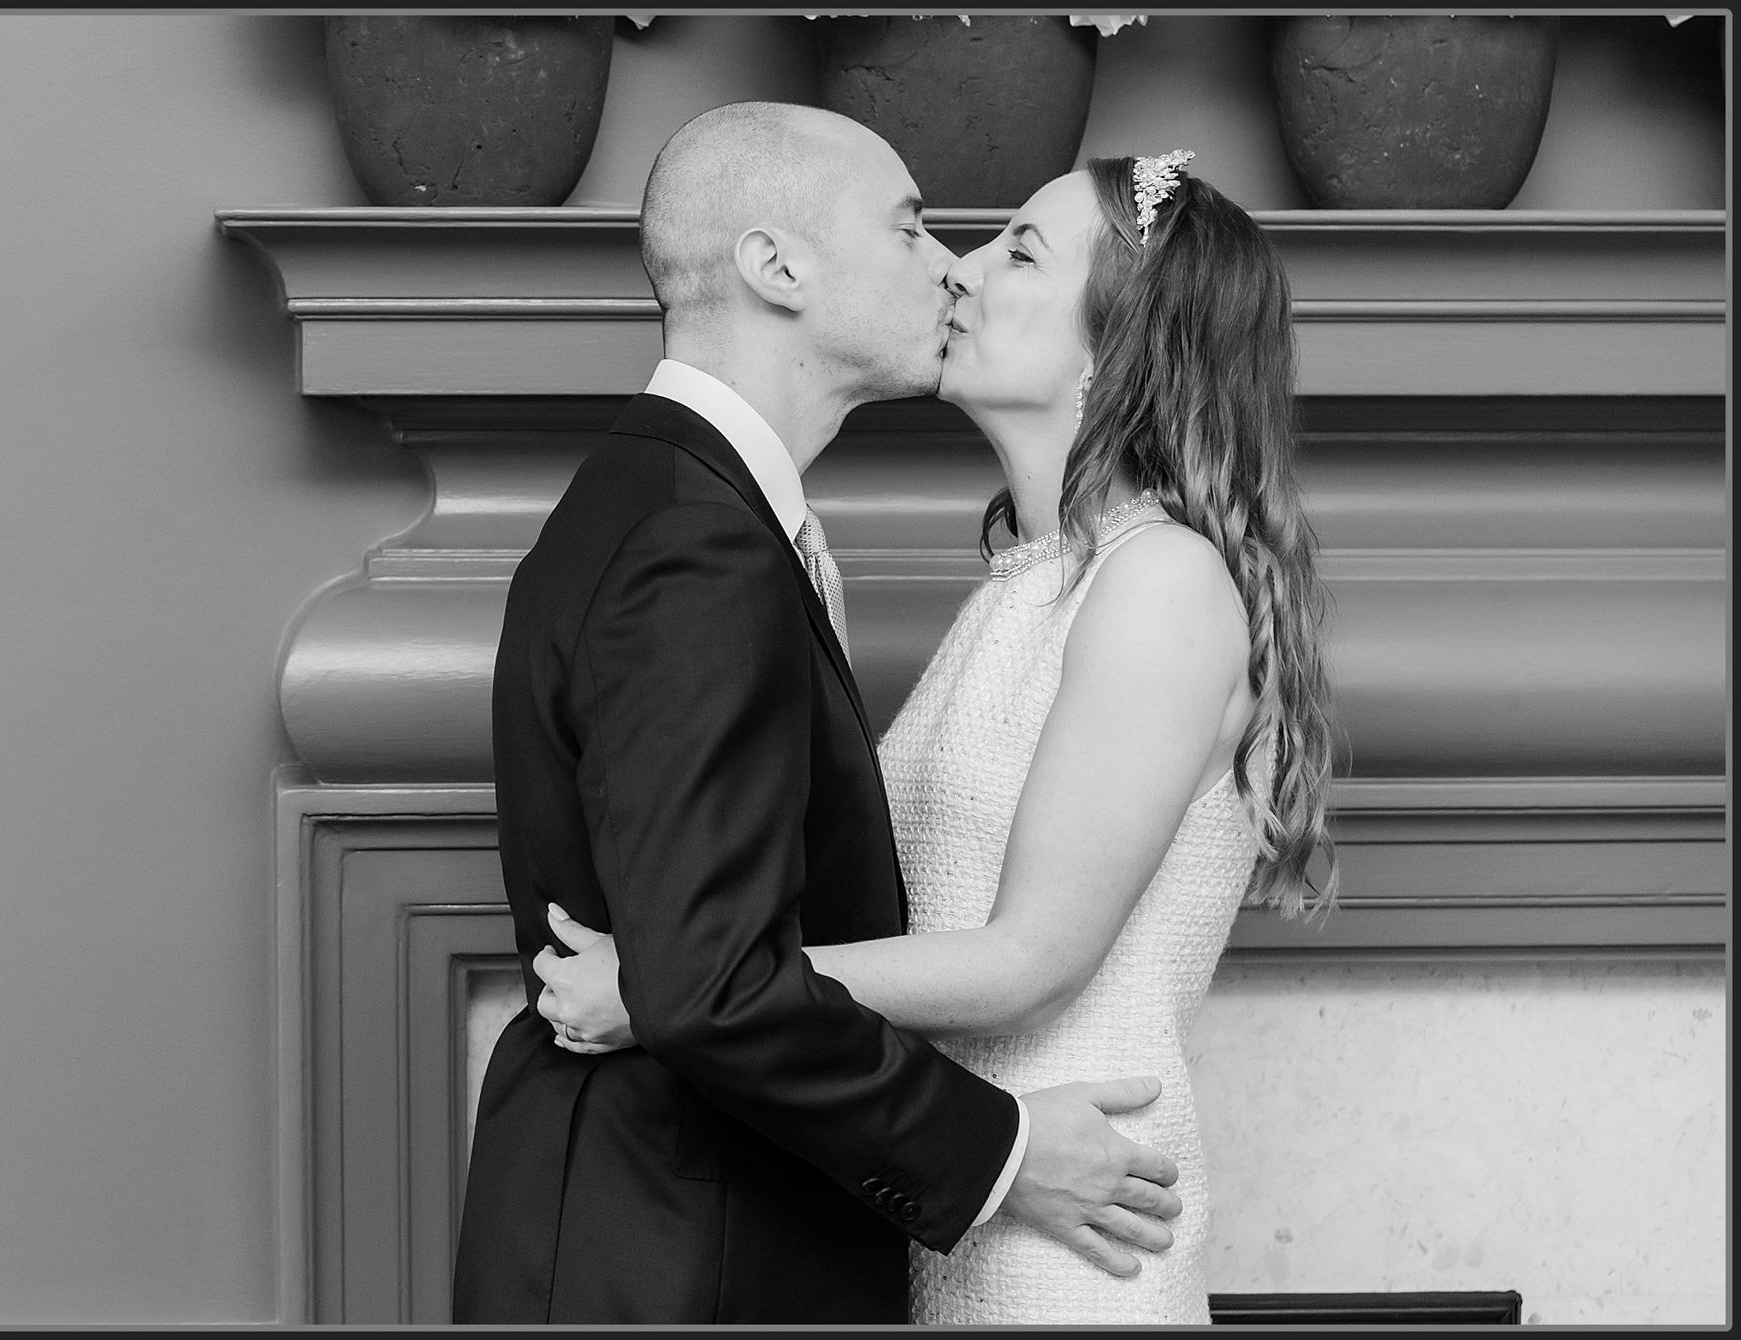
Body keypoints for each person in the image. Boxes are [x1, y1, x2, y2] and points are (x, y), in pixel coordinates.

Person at [534, 150, 1340, 1324]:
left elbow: (1028, 958)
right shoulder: (1020, 583)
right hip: (971, 1199)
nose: (956, 272)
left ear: (1122, 337)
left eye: (1017, 249)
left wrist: (671, 989)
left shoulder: (1157, 580)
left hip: (1079, 1228)